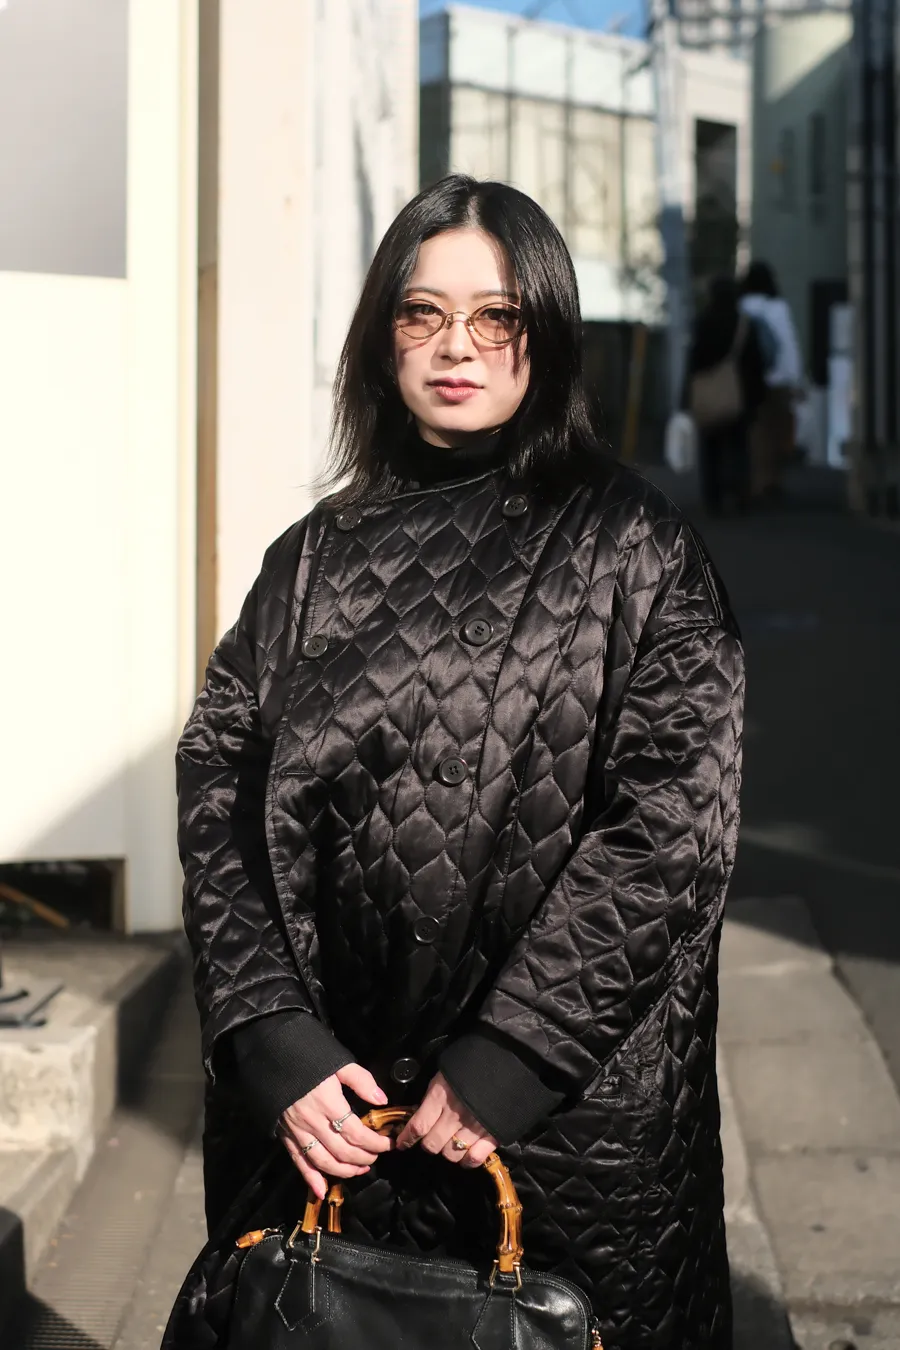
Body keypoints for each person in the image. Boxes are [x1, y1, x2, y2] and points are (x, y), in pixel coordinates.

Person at [169, 175, 744, 1350]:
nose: (456, 345)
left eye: (496, 315)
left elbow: (671, 830)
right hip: (332, 1117)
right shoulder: (312, 558)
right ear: (383, 336)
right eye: (422, 312)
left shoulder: (639, 548)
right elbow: (219, 777)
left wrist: (512, 1055)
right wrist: (270, 1034)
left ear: (547, 329)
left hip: (562, 1125)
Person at [685, 275, 767, 515]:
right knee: (738, 447)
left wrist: (686, 398)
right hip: (738, 394)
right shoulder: (744, 323)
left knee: (710, 449)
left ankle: (713, 499)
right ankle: (740, 495)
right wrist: (757, 397)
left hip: (709, 396)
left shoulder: (703, 322)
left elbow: (694, 362)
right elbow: (756, 362)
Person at [739, 260, 804, 501]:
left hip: (749, 382)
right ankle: (772, 481)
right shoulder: (778, 307)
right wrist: (795, 379)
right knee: (778, 432)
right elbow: (788, 346)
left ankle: (755, 482)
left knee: (755, 434)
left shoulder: (741, 307)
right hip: (778, 381)